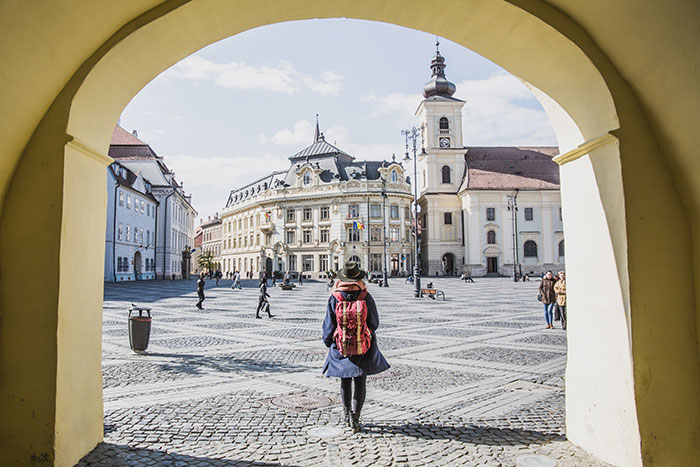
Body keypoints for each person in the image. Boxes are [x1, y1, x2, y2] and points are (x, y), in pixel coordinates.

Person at [322, 261, 390, 433]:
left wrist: (330, 342)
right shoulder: (365, 296)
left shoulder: (335, 297)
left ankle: (346, 415)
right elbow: (374, 322)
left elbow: (328, 326)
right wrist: (364, 332)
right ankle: (356, 417)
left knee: (345, 382)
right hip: (363, 346)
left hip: (341, 346)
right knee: (360, 382)